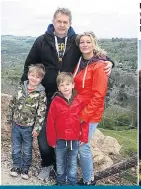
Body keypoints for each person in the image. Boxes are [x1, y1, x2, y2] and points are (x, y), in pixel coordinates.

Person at [20, 7, 113, 180]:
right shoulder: (42, 41)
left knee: (65, 133)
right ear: (53, 22)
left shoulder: (75, 41)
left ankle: (59, 167)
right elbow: (29, 65)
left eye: (65, 22)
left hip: (69, 99)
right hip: (46, 96)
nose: (62, 25)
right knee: (44, 133)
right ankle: (47, 165)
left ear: (70, 23)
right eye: (59, 21)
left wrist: (110, 62)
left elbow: (94, 54)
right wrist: (24, 89)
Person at [73, 31, 109, 185]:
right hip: (77, 108)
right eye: (82, 42)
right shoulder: (80, 62)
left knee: (83, 145)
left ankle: (89, 180)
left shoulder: (100, 65)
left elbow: (98, 95)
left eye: (88, 42)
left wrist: (84, 116)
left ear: (94, 44)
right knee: (76, 143)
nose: (85, 44)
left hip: (90, 112)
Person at [46, 72, 89, 185]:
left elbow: (85, 120)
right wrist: (52, 140)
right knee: (60, 162)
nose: (65, 87)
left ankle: (72, 182)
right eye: (62, 85)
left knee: (73, 163)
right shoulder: (55, 101)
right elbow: (50, 121)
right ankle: (60, 181)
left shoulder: (79, 101)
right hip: (59, 139)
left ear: (73, 85)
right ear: (58, 87)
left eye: (67, 84)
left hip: (74, 139)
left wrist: (84, 137)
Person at [6, 64, 47, 180]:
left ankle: (25, 168)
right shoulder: (20, 88)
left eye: (37, 77)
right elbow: (12, 104)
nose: (34, 78)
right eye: (32, 75)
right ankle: (15, 166)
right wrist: (9, 120)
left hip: (28, 128)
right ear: (28, 75)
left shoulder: (41, 94)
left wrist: (37, 128)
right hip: (16, 125)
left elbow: (41, 113)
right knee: (16, 147)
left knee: (27, 149)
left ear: (41, 79)